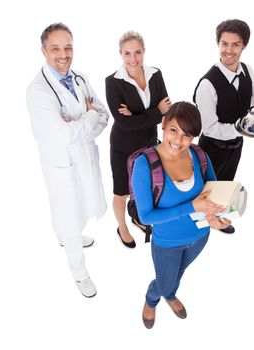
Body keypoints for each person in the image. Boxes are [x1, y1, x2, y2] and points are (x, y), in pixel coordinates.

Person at [26, 23, 109, 297]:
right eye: (56, 48)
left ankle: (67, 236)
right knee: (67, 212)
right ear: (44, 51)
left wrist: (83, 123)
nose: (63, 54)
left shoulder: (80, 78)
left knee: (82, 204)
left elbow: (104, 115)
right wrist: (89, 116)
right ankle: (79, 272)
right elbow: (64, 136)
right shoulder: (38, 91)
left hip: (83, 156)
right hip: (60, 162)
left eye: (68, 47)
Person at [131, 102, 231, 329]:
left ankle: (170, 291)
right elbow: (146, 217)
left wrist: (218, 216)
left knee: (178, 273)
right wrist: (192, 207)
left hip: (200, 237)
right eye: (174, 130)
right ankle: (154, 297)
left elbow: (214, 191)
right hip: (167, 242)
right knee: (165, 282)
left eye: (187, 135)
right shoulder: (145, 164)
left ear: (194, 137)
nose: (178, 140)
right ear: (163, 125)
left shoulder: (199, 154)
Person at [193, 19, 254, 233]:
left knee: (225, 186)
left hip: (236, 145)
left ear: (244, 46)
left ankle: (218, 220)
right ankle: (197, 225)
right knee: (206, 190)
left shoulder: (247, 69)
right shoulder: (207, 84)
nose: (228, 50)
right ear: (218, 43)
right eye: (224, 43)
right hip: (212, 148)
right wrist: (244, 128)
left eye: (235, 44)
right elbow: (209, 128)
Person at [105, 31, 171, 248]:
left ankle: (137, 218)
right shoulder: (113, 82)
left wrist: (137, 116)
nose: (133, 59)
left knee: (146, 189)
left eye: (137, 52)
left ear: (144, 51)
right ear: (120, 54)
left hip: (150, 144)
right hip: (123, 147)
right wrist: (154, 112)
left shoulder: (155, 74)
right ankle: (122, 227)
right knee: (122, 192)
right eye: (127, 53)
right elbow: (124, 124)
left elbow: (166, 110)